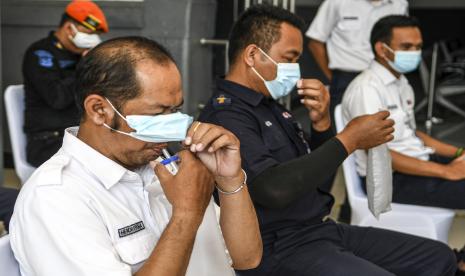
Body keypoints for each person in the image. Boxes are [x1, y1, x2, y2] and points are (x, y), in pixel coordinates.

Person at [199, 5, 457, 276]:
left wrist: (322, 124)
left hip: (318, 229)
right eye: (289, 58)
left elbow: (318, 182)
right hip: (277, 245)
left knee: (439, 258)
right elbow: (273, 191)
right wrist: (349, 139)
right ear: (252, 54)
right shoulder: (226, 115)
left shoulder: (271, 106)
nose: (295, 69)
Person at [10, 36, 262, 276]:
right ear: (99, 110)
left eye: (174, 110)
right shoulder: (55, 197)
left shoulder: (167, 166)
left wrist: (229, 179)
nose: (173, 128)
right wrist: (186, 214)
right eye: (156, 114)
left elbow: (246, 257)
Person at [342, 15, 465, 273]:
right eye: (407, 47)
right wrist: (447, 171)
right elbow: (380, 155)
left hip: (419, 163)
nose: (415, 52)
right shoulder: (367, 89)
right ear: (381, 48)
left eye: (418, 46)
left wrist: (458, 152)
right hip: (391, 178)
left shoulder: (400, 83)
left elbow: (414, 134)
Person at [23, 0, 108, 167]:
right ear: (69, 28)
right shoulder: (40, 54)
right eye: (88, 33)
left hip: (79, 137)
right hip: (47, 141)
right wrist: (84, 66)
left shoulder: (80, 54)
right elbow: (57, 98)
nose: (92, 39)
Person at [306, 0, 408, 114]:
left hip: (385, 76)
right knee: (342, 126)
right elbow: (315, 42)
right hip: (345, 79)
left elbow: (405, 39)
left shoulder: (399, 4)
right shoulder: (336, 2)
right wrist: (332, 78)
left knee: (391, 122)